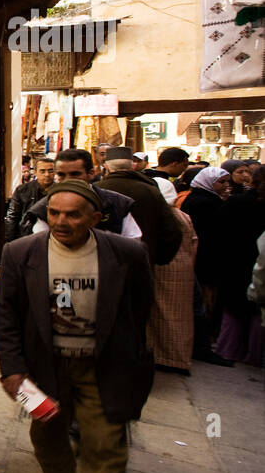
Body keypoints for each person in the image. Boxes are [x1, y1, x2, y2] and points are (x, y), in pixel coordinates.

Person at [0, 180, 155, 473]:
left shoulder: (127, 253)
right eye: (54, 214)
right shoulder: (21, 253)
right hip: (44, 366)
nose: (61, 222)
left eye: (72, 214)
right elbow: (7, 313)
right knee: (47, 432)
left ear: (97, 218)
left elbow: (139, 308)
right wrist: (12, 368)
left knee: (107, 444)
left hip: (103, 366)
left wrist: (132, 359)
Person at [23, 148, 141, 239]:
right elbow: (41, 244)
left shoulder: (116, 203)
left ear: (91, 173)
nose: (68, 180)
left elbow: (131, 243)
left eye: (75, 174)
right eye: (61, 175)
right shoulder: (43, 208)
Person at [182, 166, 234, 366]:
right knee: (202, 302)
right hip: (204, 260)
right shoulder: (206, 203)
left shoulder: (199, 199)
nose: (225, 186)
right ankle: (202, 345)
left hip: (200, 259)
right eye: (221, 182)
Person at [96, 146, 182, 266]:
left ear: (106, 167)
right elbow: (171, 231)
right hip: (141, 263)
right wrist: (156, 257)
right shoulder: (151, 191)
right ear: (132, 166)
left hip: (103, 263)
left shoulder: (96, 190)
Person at [214, 166, 265, 365]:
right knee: (257, 311)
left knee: (233, 308)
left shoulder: (237, 202)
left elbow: (220, 231)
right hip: (256, 260)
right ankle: (255, 354)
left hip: (235, 261)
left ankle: (229, 350)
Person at [149, 183, 198, 375]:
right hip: (183, 268)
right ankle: (179, 357)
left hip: (165, 267)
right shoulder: (182, 216)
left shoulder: (163, 217)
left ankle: (167, 357)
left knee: (162, 314)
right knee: (179, 315)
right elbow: (194, 243)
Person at [5, 156, 55, 243]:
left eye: (50, 171)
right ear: (35, 172)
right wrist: (10, 241)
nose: (47, 174)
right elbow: (12, 216)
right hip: (27, 235)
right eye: (42, 171)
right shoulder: (22, 190)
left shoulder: (60, 191)